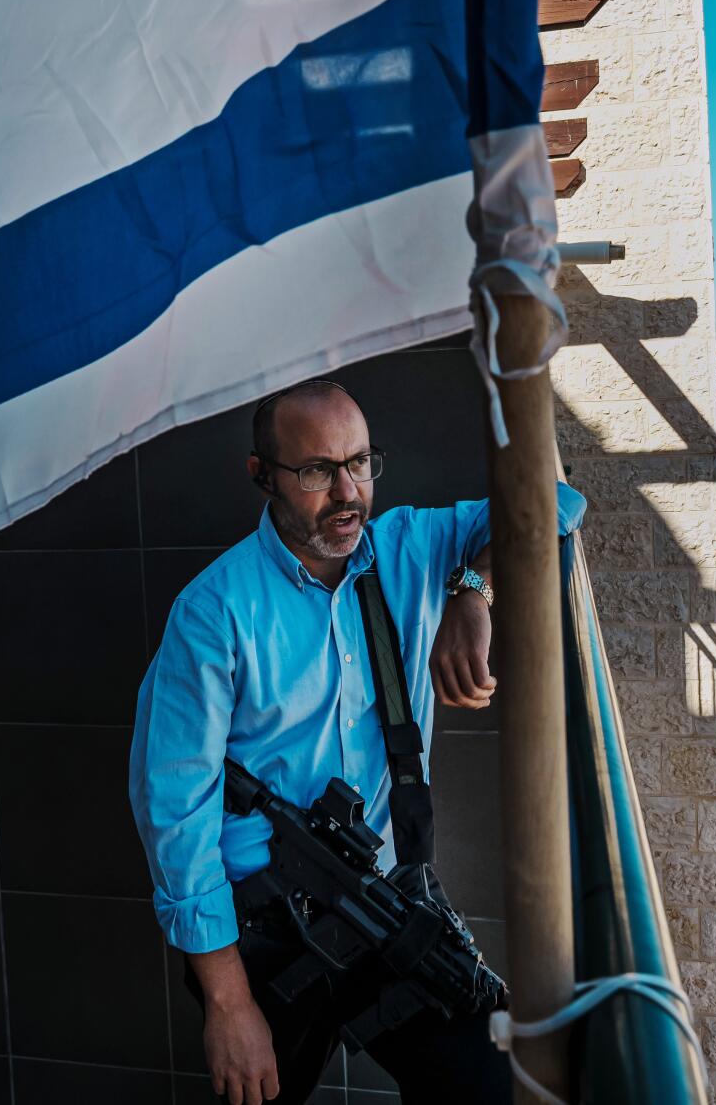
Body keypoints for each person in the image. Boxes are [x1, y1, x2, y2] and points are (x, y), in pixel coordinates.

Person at [128, 379, 585, 1105]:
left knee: (504, 1085)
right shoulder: (212, 614)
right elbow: (175, 816)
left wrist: (474, 589)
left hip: (385, 911)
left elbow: (555, 502)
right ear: (262, 476)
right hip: (265, 935)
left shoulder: (410, 548)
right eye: (316, 471)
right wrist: (228, 1002)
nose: (348, 493)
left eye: (361, 462)